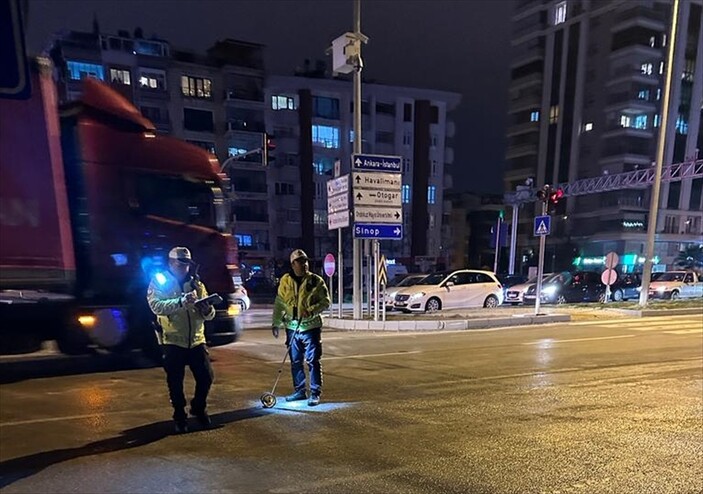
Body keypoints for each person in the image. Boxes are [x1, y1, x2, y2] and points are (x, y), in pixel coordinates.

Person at [147, 246, 216, 433]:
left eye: (187, 264)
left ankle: (198, 407)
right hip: (172, 341)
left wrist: (208, 310)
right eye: (180, 263)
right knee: (175, 382)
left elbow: (208, 313)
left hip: (196, 339)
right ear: (171, 263)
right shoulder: (160, 282)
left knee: (206, 377)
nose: (185, 267)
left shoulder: (196, 284)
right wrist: (180, 302)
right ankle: (179, 416)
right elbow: (155, 306)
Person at [272, 249, 331, 406]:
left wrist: (310, 311)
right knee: (296, 361)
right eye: (300, 262)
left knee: (313, 360)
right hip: (292, 328)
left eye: (305, 261)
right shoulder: (285, 280)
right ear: (293, 264)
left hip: (311, 328)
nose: (304, 264)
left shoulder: (315, 281)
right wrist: (276, 321)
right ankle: (299, 391)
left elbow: (326, 302)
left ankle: (315, 392)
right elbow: (280, 302)